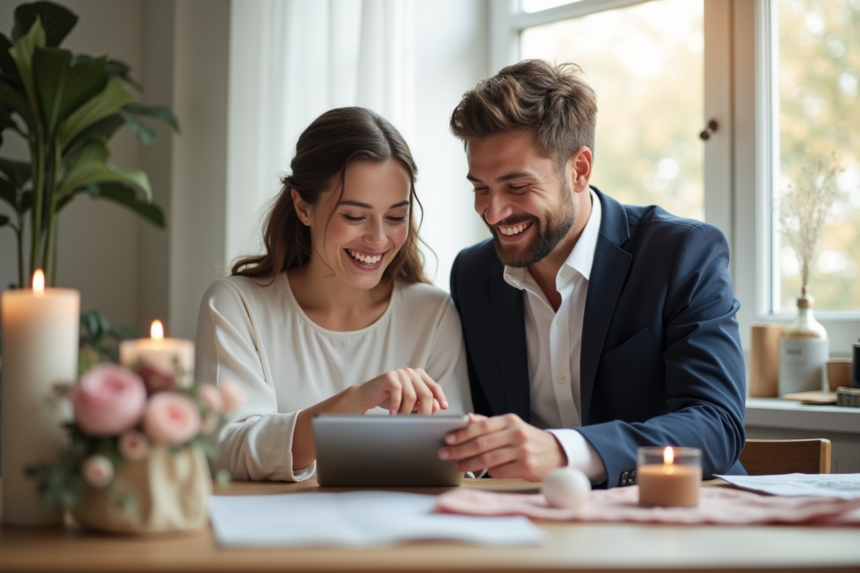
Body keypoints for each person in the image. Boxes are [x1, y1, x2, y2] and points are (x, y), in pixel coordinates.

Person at [439, 60, 746, 487]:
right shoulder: (472, 275)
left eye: (517, 187)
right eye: (480, 188)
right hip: (533, 516)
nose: (493, 212)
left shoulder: (680, 254)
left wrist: (565, 451)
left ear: (579, 169)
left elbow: (716, 425)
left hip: (671, 509)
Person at [196, 107, 472, 482]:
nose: (378, 239)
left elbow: (459, 460)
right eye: (354, 216)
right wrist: (353, 402)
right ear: (302, 207)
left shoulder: (433, 313)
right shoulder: (236, 305)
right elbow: (226, 452)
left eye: (396, 217)